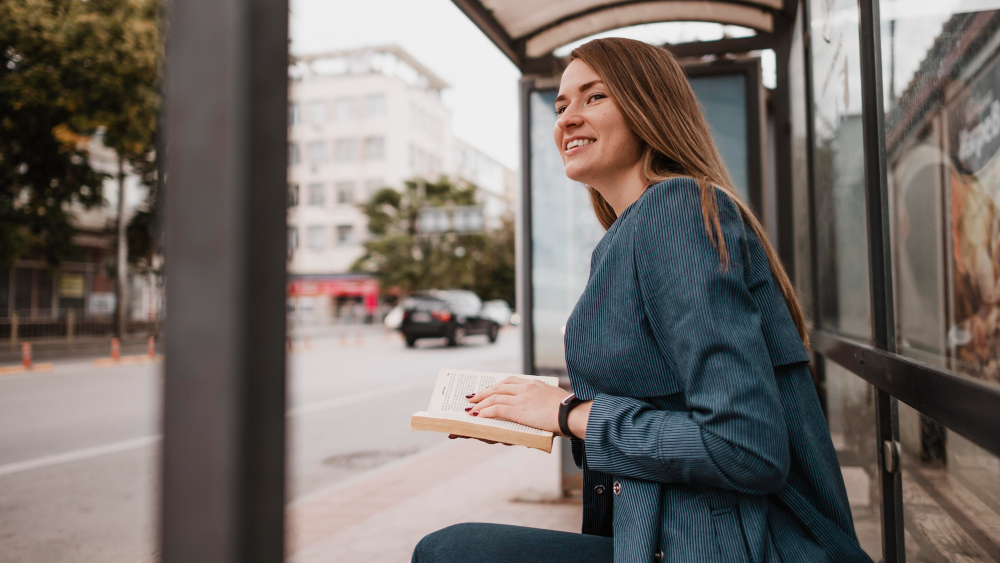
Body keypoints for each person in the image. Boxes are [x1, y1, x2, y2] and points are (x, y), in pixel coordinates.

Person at [412, 37, 872, 563]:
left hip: (728, 546)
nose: (567, 119)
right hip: (665, 535)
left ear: (649, 107)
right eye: (561, 106)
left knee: (449, 553)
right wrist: (534, 411)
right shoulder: (636, 230)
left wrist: (568, 414)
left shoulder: (674, 212)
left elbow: (746, 446)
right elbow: (667, 394)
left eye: (595, 97)